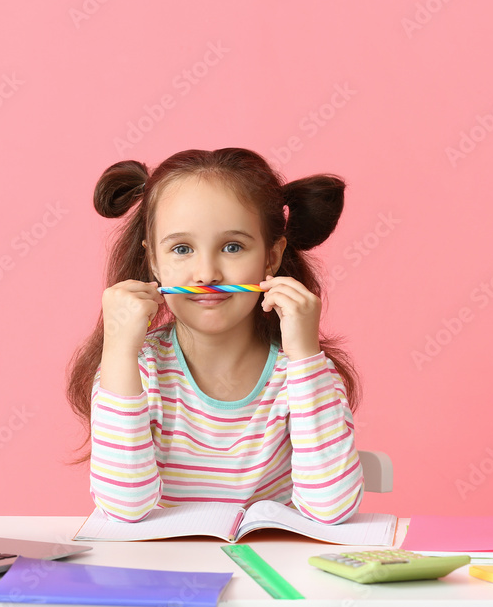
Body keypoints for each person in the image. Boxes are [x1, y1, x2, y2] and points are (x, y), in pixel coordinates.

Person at [66, 147, 363, 524]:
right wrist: (119, 350)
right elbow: (124, 508)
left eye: (232, 247)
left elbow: (332, 508)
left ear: (270, 258)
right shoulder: (135, 369)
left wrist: (304, 353)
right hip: (163, 574)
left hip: (271, 571)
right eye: (182, 249)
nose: (206, 274)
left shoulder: (304, 372)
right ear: (154, 261)